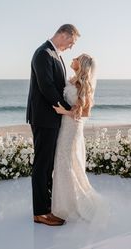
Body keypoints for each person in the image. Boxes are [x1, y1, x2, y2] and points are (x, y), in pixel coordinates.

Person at [26, 24, 80, 226]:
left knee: (48, 163)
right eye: (71, 42)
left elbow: (57, 85)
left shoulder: (55, 54)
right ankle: (40, 212)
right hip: (44, 118)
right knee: (42, 164)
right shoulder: (43, 53)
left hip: (52, 118)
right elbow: (47, 87)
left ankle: (46, 206)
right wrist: (67, 108)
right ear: (63, 35)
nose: (71, 47)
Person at [52, 54, 108, 223]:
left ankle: (72, 205)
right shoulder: (71, 79)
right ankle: (62, 203)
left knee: (67, 162)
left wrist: (65, 112)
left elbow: (85, 112)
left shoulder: (85, 84)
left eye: (77, 57)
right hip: (65, 126)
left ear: (81, 64)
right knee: (62, 162)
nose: (73, 58)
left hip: (72, 127)